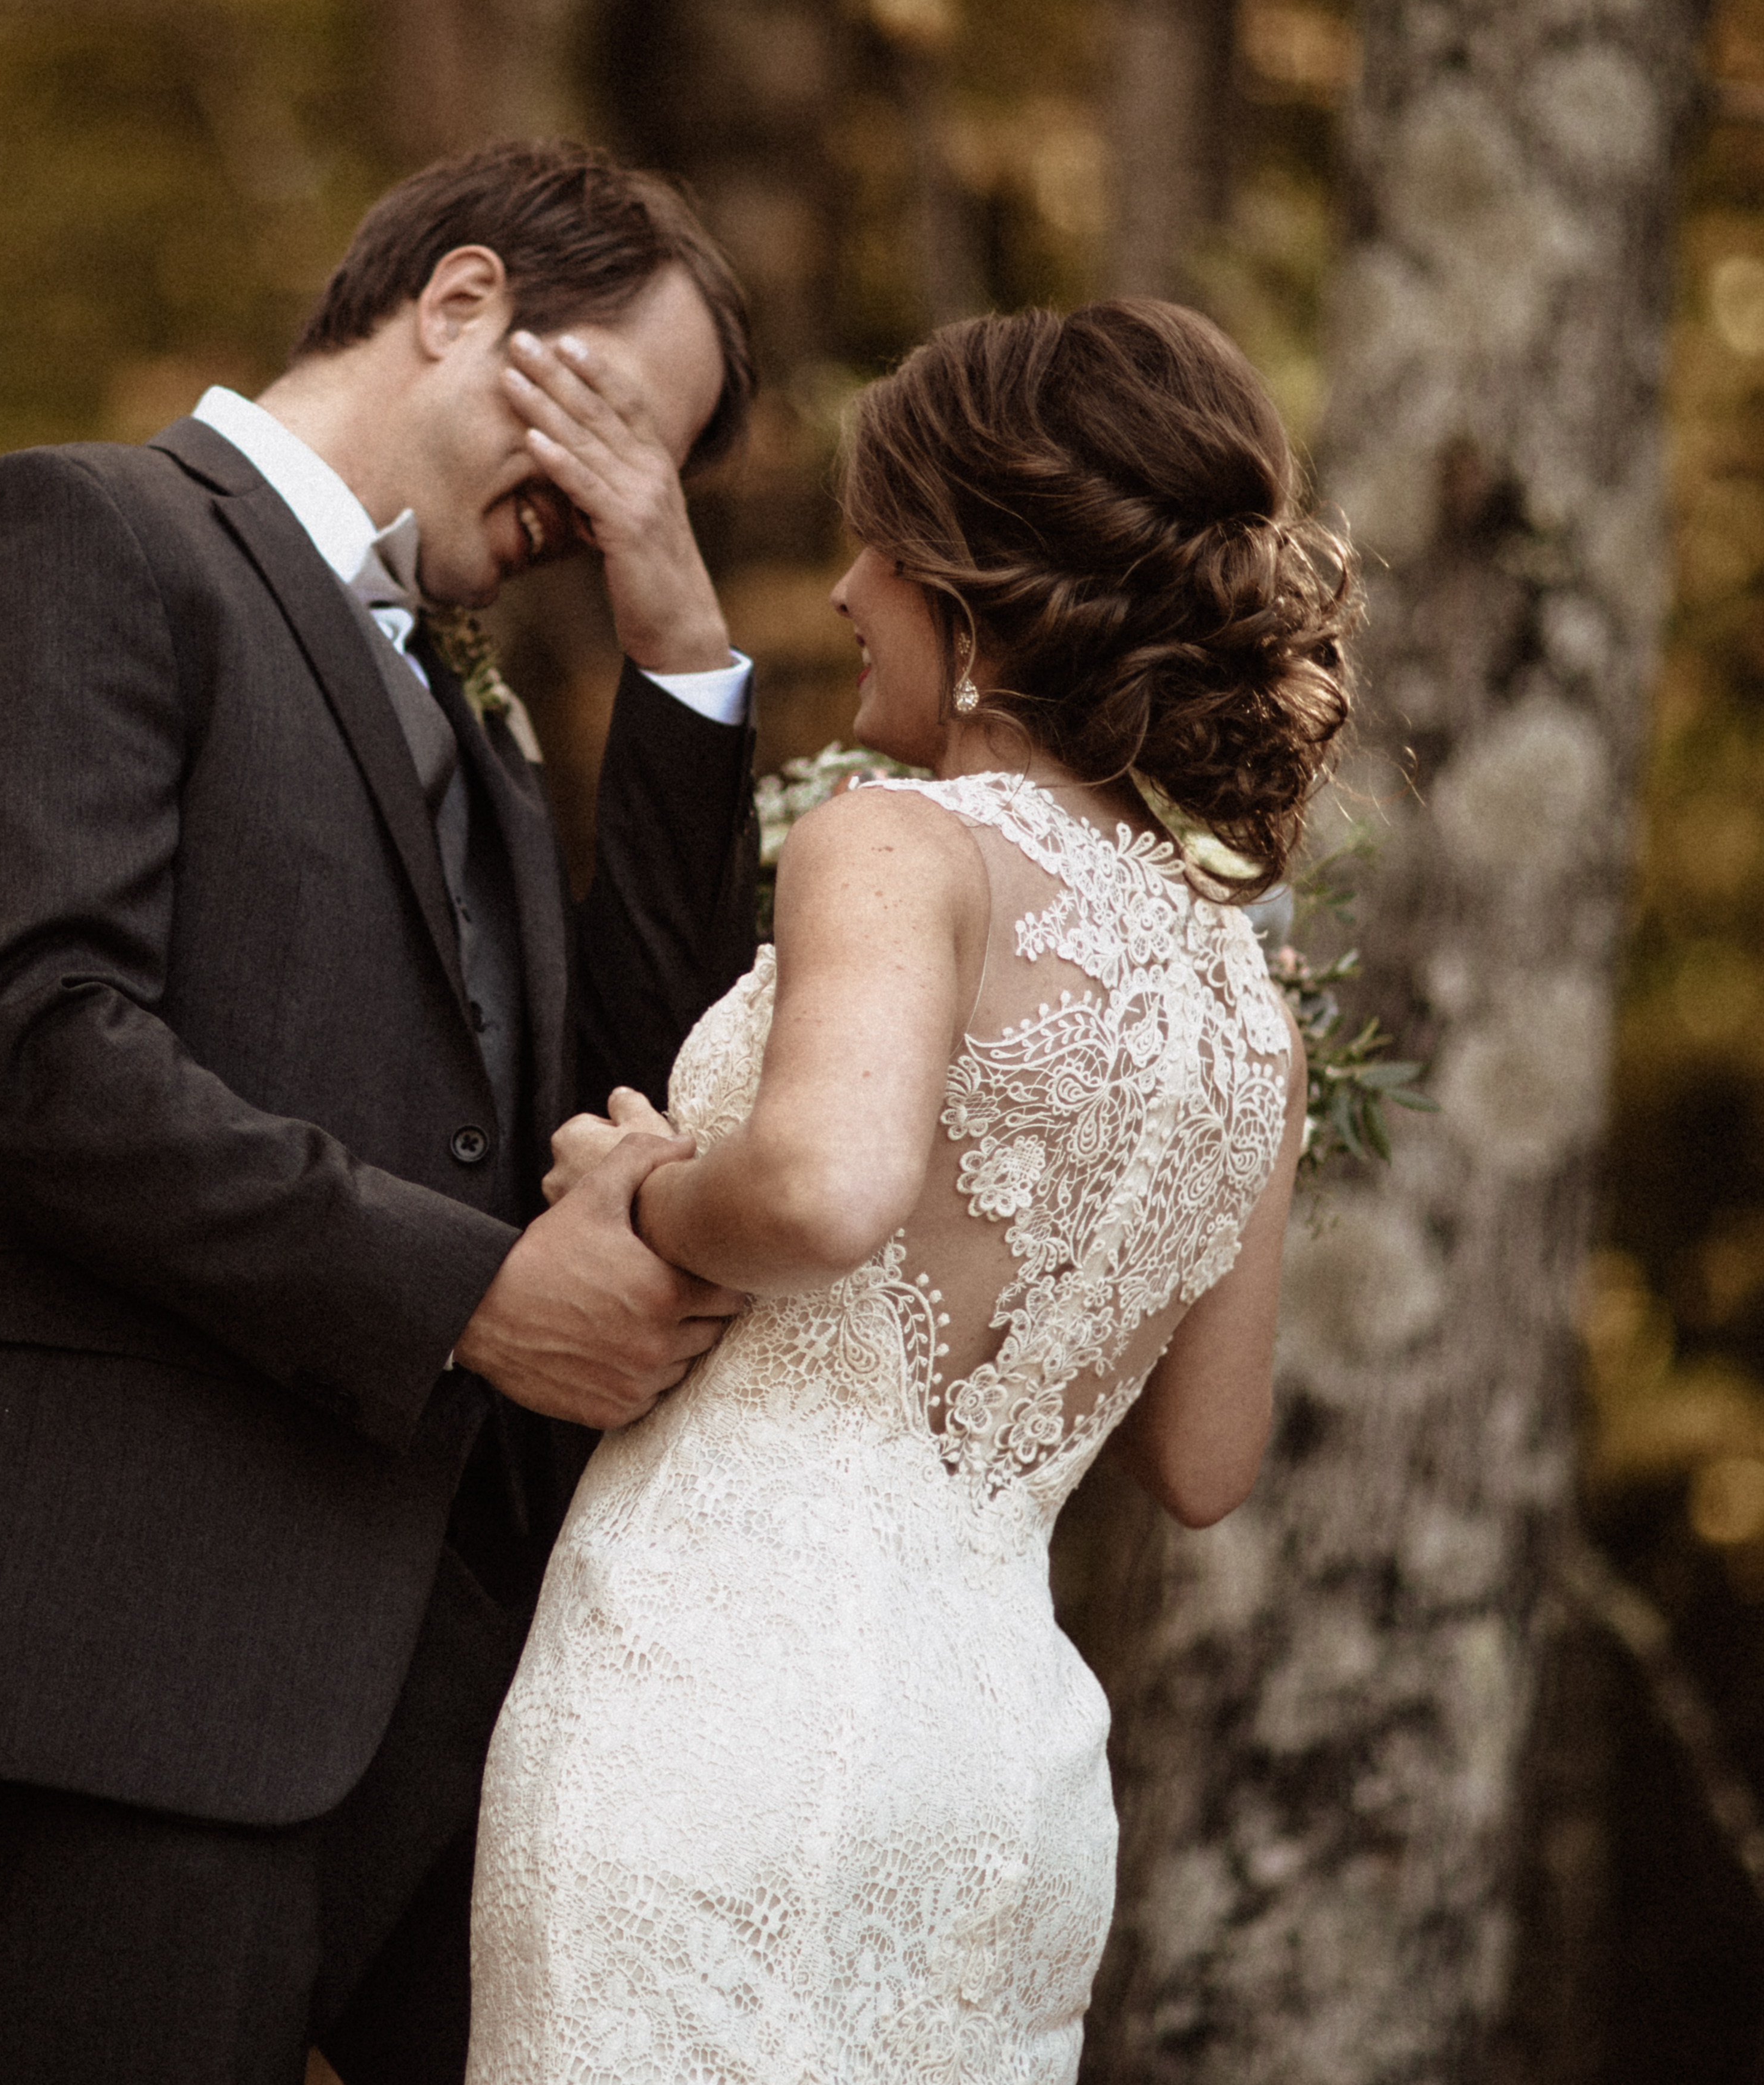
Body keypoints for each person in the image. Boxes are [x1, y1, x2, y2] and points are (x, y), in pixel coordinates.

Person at [0, 140, 767, 2085]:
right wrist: (474, 1298)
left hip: (457, 1669)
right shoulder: (83, 535)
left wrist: (677, 646)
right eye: (614, 429)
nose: (608, 499)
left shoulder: (476, 713)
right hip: (140, 1647)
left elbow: (646, 1078)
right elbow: (27, 1045)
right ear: (461, 303)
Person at [468, 298, 1359, 2080]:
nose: (840, 589)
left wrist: (637, 1193)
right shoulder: (1237, 993)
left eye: (876, 543)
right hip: (1000, 1768)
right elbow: (1205, 1460)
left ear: (964, 589)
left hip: (719, 1697)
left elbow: (822, 1182)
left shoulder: (900, 843)